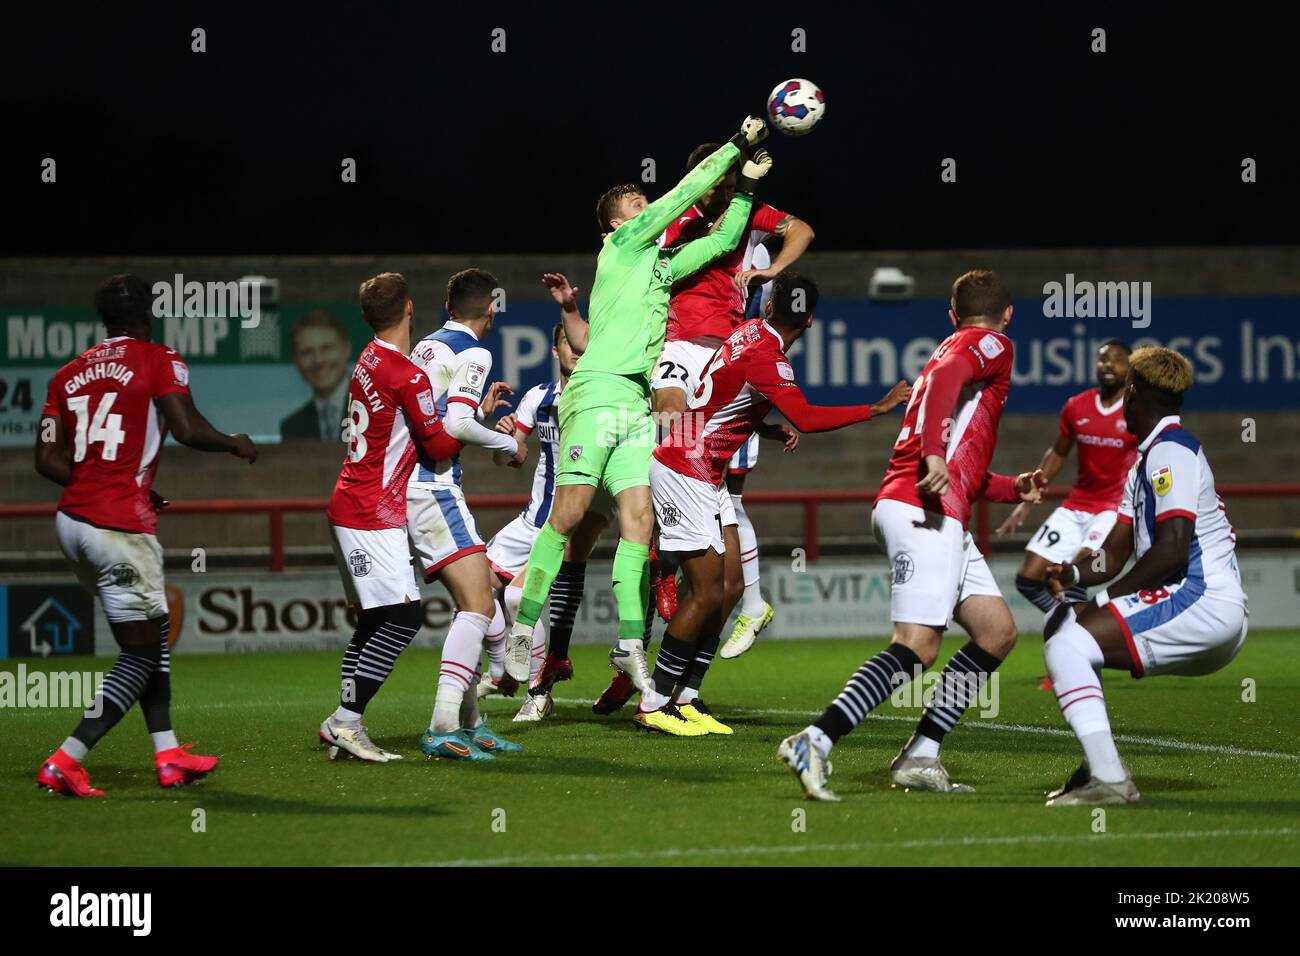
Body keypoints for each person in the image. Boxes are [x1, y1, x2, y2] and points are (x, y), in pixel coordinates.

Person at [501, 117, 773, 695]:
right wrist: (736, 146)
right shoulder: (624, 246)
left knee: (638, 524)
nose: (648, 204)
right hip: (597, 388)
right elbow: (683, 194)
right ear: (619, 224)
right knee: (572, 512)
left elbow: (725, 243)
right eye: (637, 202)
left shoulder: (661, 267)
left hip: (634, 399)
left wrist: (746, 188)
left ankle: (629, 647)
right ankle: (523, 629)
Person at [779, 270, 1047, 800]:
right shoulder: (987, 345)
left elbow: (962, 467)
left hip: (931, 508)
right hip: (924, 511)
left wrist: (1013, 487)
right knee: (918, 646)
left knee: (996, 634)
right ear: (1007, 316)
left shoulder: (945, 349)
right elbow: (948, 385)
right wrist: (932, 454)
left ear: (951, 314)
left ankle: (921, 755)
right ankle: (816, 739)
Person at [640, 273, 910, 735]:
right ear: (809, 320)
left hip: (702, 468)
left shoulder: (746, 334)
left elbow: (717, 394)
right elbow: (805, 416)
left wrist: (763, 427)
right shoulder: (771, 358)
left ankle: (686, 697)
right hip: (686, 469)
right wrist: (876, 410)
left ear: (767, 308)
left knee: (727, 587)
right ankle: (654, 704)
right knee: (706, 592)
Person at [35, 274, 258, 797]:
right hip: (117, 527)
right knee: (138, 653)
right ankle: (67, 759)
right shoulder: (159, 358)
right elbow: (184, 427)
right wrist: (234, 443)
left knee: (151, 636)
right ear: (148, 316)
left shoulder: (66, 375)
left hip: (72, 523)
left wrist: (100, 479)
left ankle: (168, 754)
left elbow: (46, 460)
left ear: (105, 320)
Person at [1040, 347, 1248, 806]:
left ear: (1135, 394)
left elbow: (1173, 551)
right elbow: (1114, 553)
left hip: (1202, 600)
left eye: (1127, 392)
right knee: (1071, 639)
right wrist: (1074, 570)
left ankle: (1109, 778)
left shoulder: (1170, 450)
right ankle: (1099, 765)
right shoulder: (1146, 460)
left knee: (1068, 641)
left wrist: (1099, 602)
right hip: (1201, 605)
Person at [647, 140, 815, 655]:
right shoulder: (673, 212)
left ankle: (741, 600)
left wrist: (771, 272)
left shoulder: (748, 215)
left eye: (726, 180)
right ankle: (665, 562)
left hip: (724, 353)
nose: (720, 187)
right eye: (713, 178)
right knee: (667, 442)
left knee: (723, 484)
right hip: (677, 344)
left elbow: (803, 230)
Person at [318, 272, 463, 762]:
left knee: (376, 619)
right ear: (409, 309)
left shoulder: (367, 358)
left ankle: (343, 721)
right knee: (403, 618)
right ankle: (346, 721)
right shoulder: (405, 373)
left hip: (350, 504)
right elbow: (440, 444)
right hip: (371, 512)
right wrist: (470, 420)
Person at [407, 268, 528, 760]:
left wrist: (479, 414)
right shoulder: (475, 351)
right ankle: (442, 726)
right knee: (480, 605)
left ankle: (472, 721)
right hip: (433, 488)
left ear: (448, 306)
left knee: (481, 604)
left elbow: (443, 417)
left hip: (417, 485)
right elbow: (454, 423)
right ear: (491, 309)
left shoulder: (427, 346)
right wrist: (507, 442)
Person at [481, 313, 610, 721]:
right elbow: (513, 458)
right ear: (556, 350)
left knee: (519, 596)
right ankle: (503, 671)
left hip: (566, 520)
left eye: (582, 343)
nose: (575, 350)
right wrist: (501, 437)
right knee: (473, 590)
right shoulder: (538, 397)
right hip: (530, 519)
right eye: (568, 344)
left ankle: (538, 690)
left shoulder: (602, 399)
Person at [998, 340, 1137, 613]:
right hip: (1077, 505)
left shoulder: (1136, 410)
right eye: (1103, 359)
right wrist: (1026, 503)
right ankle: (1072, 625)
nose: (1108, 364)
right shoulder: (1077, 406)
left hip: (1113, 509)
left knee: (1074, 575)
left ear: (1131, 367)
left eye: (1118, 359)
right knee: (1027, 579)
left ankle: (1079, 636)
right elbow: (1058, 452)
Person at [280, 309, 353, 441]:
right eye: (307, 352)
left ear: (346, 349)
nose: (318, 360)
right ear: (296, 361)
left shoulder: (377, 410)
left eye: (326, 348)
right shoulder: (292, 427)